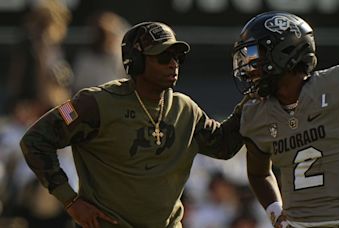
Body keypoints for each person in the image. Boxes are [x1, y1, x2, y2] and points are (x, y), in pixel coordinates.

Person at [20, 21, 245, 228]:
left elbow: (223, 146)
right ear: (136, 61)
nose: (173, 64)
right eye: (164, 57)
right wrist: (70, 201)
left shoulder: (186, 109)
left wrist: (251, 102)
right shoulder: (92, 103)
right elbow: (36, 139)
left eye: (177, 56)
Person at [231, 11, 339, 227]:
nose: (248, 66)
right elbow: (258, 174)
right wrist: (276, 212)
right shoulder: (258, 114)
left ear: (283, 52)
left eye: (254, 54)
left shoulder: (337, 92)